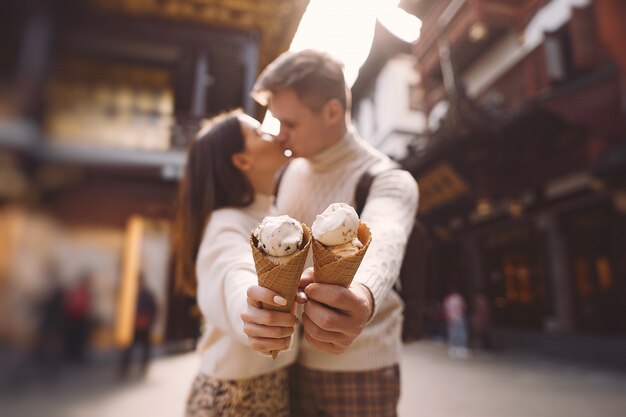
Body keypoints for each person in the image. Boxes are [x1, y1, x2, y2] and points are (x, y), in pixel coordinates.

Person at [248, 49, 419, 417]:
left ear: (331, 111)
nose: (280, 136)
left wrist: (362, 294)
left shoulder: (386, 178)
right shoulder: (287, 173)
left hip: (361, 373)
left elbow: (385, 238)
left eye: (289, 123)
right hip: (288, 367)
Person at [173, 109, 295, 417]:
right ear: (242, 161)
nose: (276, 134)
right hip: (231, 397)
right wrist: (250, 311)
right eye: (259, 132)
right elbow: (232, 273)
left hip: (263, 386)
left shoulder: (269, 213)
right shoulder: (226, 222)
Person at [119, 274, 158, 378]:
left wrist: (150, 322)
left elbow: (154, 309)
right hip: (133, 325)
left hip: (144, 325)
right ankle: (124, 367)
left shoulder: (147, 295)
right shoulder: (131, 294)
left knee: (145, 348)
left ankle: (144, 366)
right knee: (128, 347)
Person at [444, 289, 469, 358]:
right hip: (459, 317)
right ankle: (461, 347)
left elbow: (447, 309)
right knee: (461, 333)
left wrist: (448, 316)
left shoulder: (449, 299)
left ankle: (453, 347)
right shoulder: (459, 298)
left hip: (452, 317)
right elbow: (463, 307)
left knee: (453, 332)